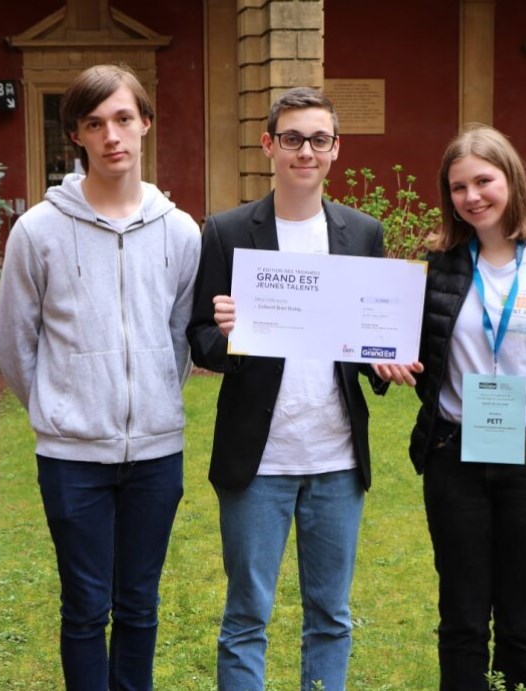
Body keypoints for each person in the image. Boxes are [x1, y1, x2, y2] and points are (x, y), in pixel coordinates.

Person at [0, 64, 200, 690]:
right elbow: (15, 342)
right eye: (95, 123)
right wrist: (63, 406)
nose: (112, 135)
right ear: (76, 135)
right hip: (72, 455)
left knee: (140, 606)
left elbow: (179, 337)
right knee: (85, 610)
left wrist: (155, 399)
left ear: (145, 124)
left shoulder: (182, 231)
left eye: (123, 119)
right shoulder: (37, 231)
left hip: (157, 454)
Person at [379, 124, 526, 691]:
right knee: (460, 615)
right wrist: (384, 361)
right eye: (458, 187)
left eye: (484, 180)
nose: (472, 196)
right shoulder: (436, 266)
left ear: (513, 180)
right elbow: (399, 340)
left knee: (523, 619)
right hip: (455, 455)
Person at [186, 86, 395, 691]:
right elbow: (200, 337)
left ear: (336, 149)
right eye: (293, 138)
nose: (306, 151)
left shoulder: (362, 233)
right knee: (247, 616)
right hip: (259, 460)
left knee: (331, 617)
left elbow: (369, 339)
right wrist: (227, 333)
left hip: (335, 457)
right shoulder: (227, 232)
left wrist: (384, 362)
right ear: (269, 145)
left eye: (319, 139)